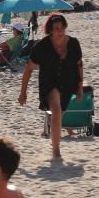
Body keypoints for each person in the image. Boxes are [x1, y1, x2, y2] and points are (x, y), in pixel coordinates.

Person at [18, 14, 83, 160]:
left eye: (62, 28)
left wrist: (79, 88)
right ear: (51, 30)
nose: (60, 31)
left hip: (68, 83)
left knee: (60, 113)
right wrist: (23, 92)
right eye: (56, 28)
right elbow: (28, 69)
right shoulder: (42, 47)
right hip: (49, 82)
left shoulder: (73, 43)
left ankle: (53, 128)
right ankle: (56, 150)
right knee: (56, 110)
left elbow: (79, 65)